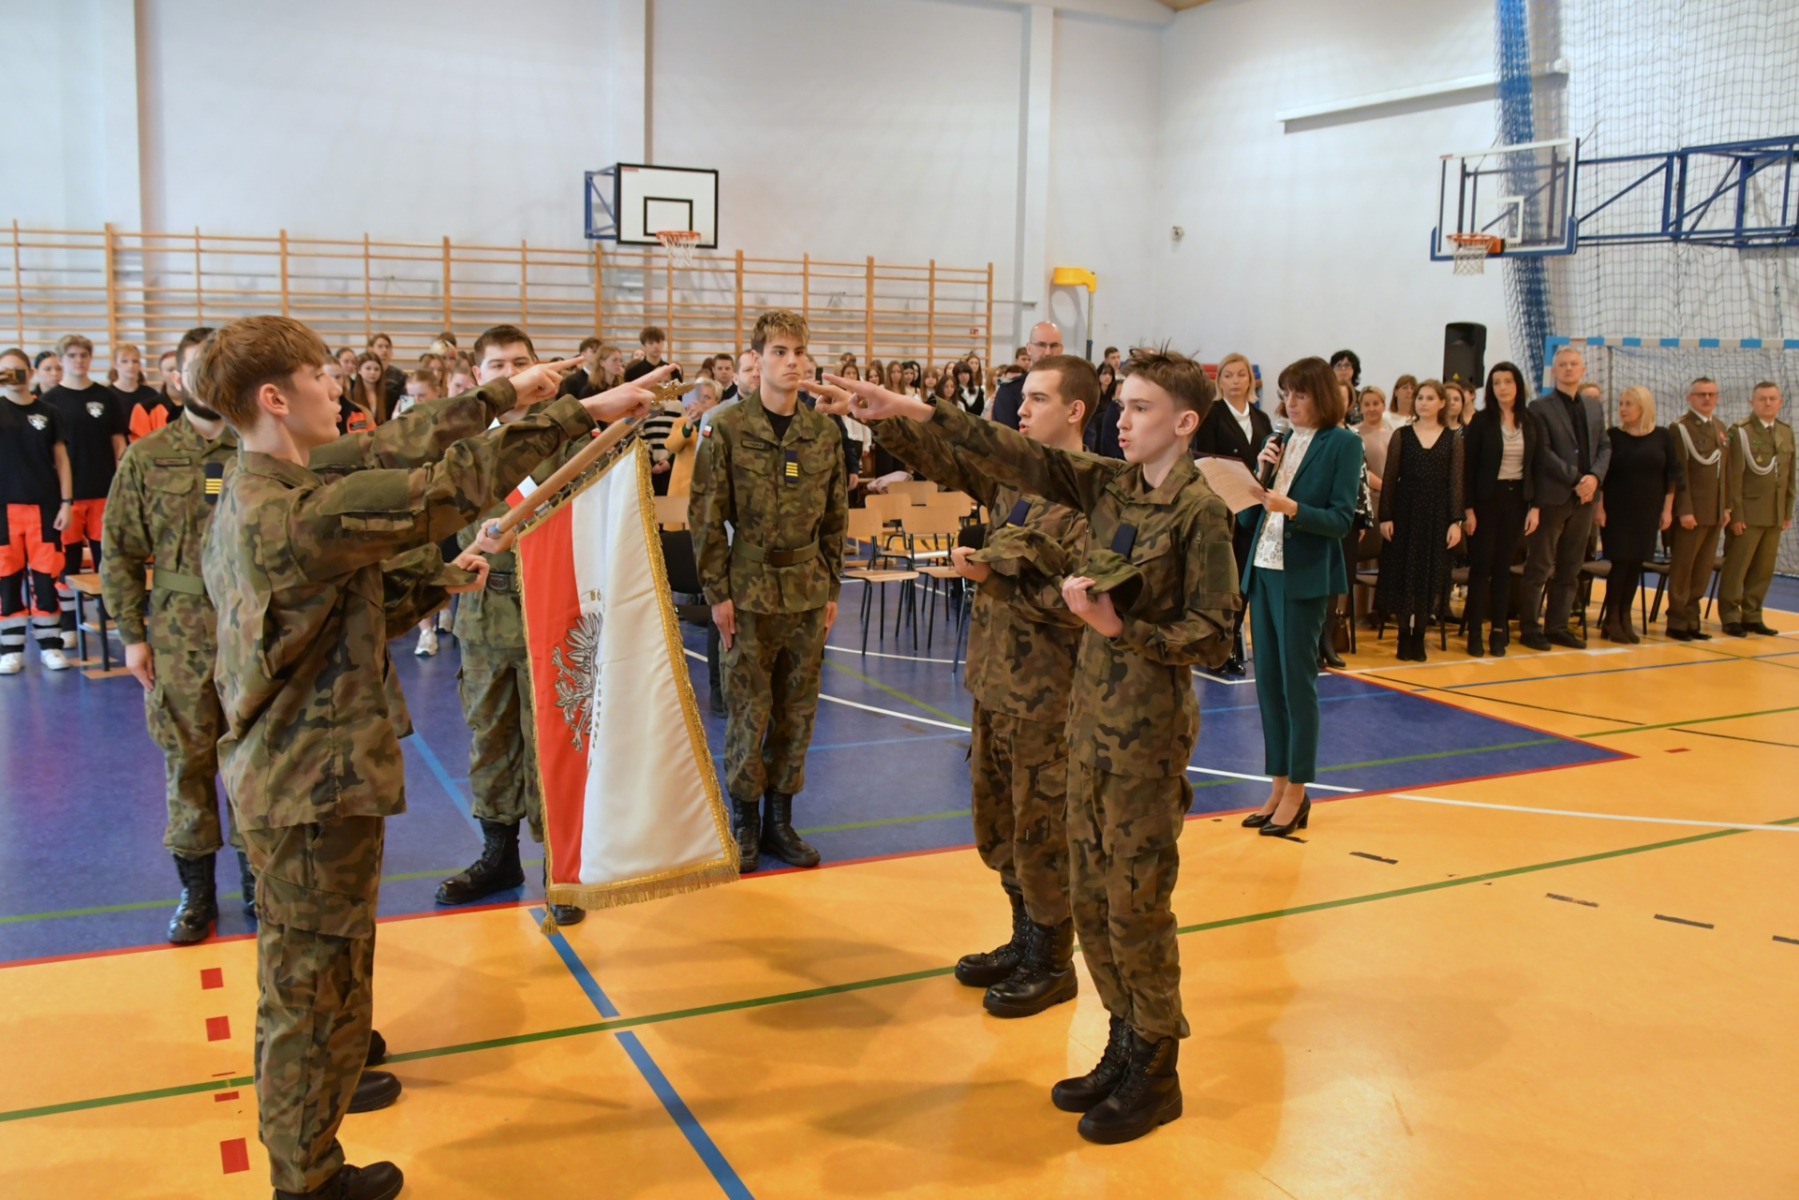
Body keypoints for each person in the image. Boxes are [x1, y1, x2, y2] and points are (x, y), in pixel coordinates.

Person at [198, 313, 651, 1200]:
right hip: (306, 786)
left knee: (329, 971)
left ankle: (319, 1131)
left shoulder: (279, 486)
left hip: (317, 778)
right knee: (304, 986)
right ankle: (303, 1176)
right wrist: (573, 414)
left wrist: (445, 569)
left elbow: (356, 569)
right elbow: (446, 486)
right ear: (275, 398)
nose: (340, 389)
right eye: (323, 377)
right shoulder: (287, 514)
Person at [825, 346, 1237, 1146]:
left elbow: (1217, 636)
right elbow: (1022, 455)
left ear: (1183, 424)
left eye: (1142, 408)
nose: (1125, 419)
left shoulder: (1199, 513)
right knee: (1089, 899)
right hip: (1085, 722)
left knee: (1136, 908)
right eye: (1122, 405)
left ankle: (1155, 1068)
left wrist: (1125, 628)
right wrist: (908, 411)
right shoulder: (1112, 484)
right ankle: (1119, 1044)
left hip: (1144, 742)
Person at [827, 356, 1094, 1020]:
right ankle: (1022, 939)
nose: (1022, 409)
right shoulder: (1019, 478)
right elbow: (950, 463)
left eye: (1036, 398)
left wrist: (991, 576)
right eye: (1022, 398)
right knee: (1002, 824)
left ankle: (1052, 962)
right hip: (996, 682)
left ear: (1076, 410)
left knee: (1043, 831)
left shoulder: (1094, 494)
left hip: (1048, 694)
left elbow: (1079, 605)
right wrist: (884, 421)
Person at [435, 326, 670, 922]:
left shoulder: (573, 443)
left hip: (553, 615)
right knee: (490, 738)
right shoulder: (456, 445)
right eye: (497, 365)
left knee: (555, 743)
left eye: (521, 362)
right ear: (479, 376)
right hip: (485, 614)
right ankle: (498, 855)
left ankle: (559, 867)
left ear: (540, 370)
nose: (510, 372)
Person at [101, 326, 252, 939]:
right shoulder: (146, 457)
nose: (203, 380)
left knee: (252, 762)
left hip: (251, 636)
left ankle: (257, 883)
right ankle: (197, 896)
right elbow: (118, 551)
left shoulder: (260, 453)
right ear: (177, 379)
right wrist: (131, 634)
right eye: (194, 369)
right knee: (188, 762)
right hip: (178, 638)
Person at [690, 310, 847, 872]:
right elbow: (707, 517)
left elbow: (835, 518)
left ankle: (782, 820)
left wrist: (832, 585)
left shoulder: (825, 432)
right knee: (748, 712)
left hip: (806, 591)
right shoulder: (727, 426)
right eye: (780, 351)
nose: (792, 362)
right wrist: (717, 594)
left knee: (797, 712)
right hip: (749, 592)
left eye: (800, 352)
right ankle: (746, 821)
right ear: (757, 360)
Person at [1239, 357, 1362, 833]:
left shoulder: (1342, 444)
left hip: (1304, 576)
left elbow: (1340, 520)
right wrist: (1258, 476)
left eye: (1301, 394)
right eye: (1287, 394)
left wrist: (1293, 509)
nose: (1291, 403)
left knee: (1296, 685)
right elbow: (1250, 518)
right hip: (1264, 570)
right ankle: (1276, 784)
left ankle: (1298, 791)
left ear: (1322, 397)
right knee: (1268, 685)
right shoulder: (1281, 441)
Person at [1520, 344, 1609, 650]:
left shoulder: (1594, 407)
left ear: (1583, 370)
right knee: (1540, 566)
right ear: (1554, 371)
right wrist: (1576, 479)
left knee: (1571, 567)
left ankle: (1557, 626)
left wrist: (1594, 477)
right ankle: (1530, 628)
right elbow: (1541, 453)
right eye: (1563, 365)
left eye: (1574, 364)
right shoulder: (1539, 408)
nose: (1569, 369)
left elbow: (1605, 447)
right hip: (1554, 496)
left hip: (1585, 499)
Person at [1192, 351, 1273, 675]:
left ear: (1249, 380)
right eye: (1228, 375)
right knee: (1225, 582)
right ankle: (1219, 649)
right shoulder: (1211, 414)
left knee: (1245, 581)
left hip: (1253, 508)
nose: (1235, 381)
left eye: (1241, 375)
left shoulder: (1261, 418)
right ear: (1219, 380)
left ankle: (1237, 646)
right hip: (1223, 506)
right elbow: (1203, 459)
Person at [43, 336, 126, 647]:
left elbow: (119, 442)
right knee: (69, 562)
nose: (79, 360)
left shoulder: (105, 396)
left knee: (108, 559)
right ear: (63, 359)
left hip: (103, 492)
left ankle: (108, 617)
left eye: (84, 355)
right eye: (73, 355)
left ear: (91, 359)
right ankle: (68, 625)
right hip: (68, 498)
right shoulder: (49, 400)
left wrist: (122, 483)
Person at [1375, 380, 1464, 661]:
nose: (1423, 402)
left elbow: (1456, 483)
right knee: (1403, 573)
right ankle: (1403, 635)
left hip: (1437, 514)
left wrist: (1455, 521)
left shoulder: (1453, 439)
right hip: (1406, 510)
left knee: (1429, 573)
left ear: (1441, 403)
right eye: (1420, 398)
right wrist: (1386, 516)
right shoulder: (1402, 435)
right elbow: (1390, 479)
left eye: (1429, 398)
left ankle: (1420, 635)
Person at [0, 346, 72, 674]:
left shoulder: (49, 411)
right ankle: (10, 648)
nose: (13, 377)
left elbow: (61, 460)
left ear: (30, 373)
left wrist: (67, 503)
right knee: (7, 579)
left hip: (44, 509)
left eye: (19, 370)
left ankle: (50, 645)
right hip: (4, 510)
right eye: (6, 372)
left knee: (45, 579)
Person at [1461, 362, 1540, 656]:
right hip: (1486, 500)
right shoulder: (1482, 421)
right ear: (1491, 389)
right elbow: (1468, 469)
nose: (1503, 387)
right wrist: (1468, 509)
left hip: (1517, 499)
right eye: (1497, 382)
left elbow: (1537, 466)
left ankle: (1498, 629)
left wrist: (1536, 507)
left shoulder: (1530, 421)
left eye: (1508, 381)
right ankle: (1474, 634)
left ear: (1517, 385)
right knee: (1481, 566)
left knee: (1504, 568)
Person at [1596, 386, 1682, 643]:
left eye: (1628, 404)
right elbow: (1601, 475)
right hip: (1617, 510)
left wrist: (1667, 510)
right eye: (1621, 403)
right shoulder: (1612, 436)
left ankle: (1624, 616)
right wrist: (1599, 508)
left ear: (1643, 407)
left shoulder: (1662, 436)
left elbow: (1672, 476)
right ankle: (1611, 619)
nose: (1623, 408)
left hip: (1648, 510)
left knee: (1635, 564)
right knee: (1620, 563)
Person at [1719, 382, 1794, 636]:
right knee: (1737, 567)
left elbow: (1789, 476)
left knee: (1763, 568)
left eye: (1773, 398)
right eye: (1762, 399)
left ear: (1780, 402)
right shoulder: (1740, 432)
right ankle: (1730, 615)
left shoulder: (1785, 432)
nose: (1768, 403)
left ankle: (1752, 614)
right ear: (1752, 402)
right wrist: (1736, 513)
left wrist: (1786, 511)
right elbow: (1732, 477)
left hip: (1773, 514)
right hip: (1747, 513)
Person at [1664, 378, 1730, 641]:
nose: (1707, 399)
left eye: (1712, 394)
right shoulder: (1680, 429)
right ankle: (1677, 621)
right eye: (1701, 394)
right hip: (1692, 512)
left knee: (1702, 568)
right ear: (1689, 398)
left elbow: (1724, 472)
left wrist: (1726, 507)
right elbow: (1679, 474)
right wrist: (1684, 509)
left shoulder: (1720, 427)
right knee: (1684, 568)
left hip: (1713, 511)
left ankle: (1692, 618)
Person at [991, 322, 1064, 428]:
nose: (1048, 352)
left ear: (1061, 349)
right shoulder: (1009, 391)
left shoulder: (1074, 391)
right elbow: (1005, 440)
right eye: (1041, 345)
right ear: (1029, 349)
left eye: (1054, 346)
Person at [660, 377, 718, 498]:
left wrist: (704, 420)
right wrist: (689, 424)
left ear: (716, 402)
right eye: (699, 397)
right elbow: (671, 446)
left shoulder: (719, 424)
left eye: (707, 397)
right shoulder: (680, 422)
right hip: (681, 490)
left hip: (709, 490)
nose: (702, 401)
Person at [111, 344, 168, 439]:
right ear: (115, 365)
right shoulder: (108, 395)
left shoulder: (150, 394)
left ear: (139, 364)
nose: (130, 366)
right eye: (124, 361)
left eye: (135, 361)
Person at [348, 351, 391, 425]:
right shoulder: (351, 395)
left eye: (376, 369)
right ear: (359, 370)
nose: (372, 372)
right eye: (368, 368)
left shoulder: (390, 394)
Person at [367, 331, 407, 402]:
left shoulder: (401, 376)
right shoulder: (365, 374)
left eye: (387, 347)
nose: (384, 350)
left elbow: (406, 402)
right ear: (370, 349)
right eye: (380, 346)